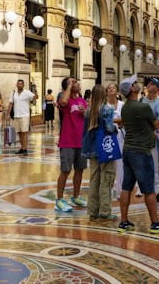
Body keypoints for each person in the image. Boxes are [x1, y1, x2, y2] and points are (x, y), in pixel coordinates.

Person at [117, 74, 159, 234]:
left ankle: (124, 221)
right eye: (134, 83)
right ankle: (155, 223)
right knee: (148, 189)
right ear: (132, 89)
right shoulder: (143, 107)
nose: (137, 84)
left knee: (126, 186)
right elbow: (158, 124)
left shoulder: (125, 107)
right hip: (141, 151)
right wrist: (152, 128)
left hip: (128, 150)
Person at [82, 85, 117, 219]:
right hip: (105, 148)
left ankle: (92, 211)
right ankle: (105, 211)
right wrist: (116, 127)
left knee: (94, 180)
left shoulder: (88, 110)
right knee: (106, 179)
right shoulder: (107, 109)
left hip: (92, 149)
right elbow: (109, 128)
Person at [54, 77, 88, 212]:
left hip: (81, 141)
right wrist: (68, 87)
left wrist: (84, 112)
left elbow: (87, 116)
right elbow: (62, 102)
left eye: (76, 82)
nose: (77, 84)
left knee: (80, 169)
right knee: (65, 170)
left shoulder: (81, 100)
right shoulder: (65, 100)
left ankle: (76, 196)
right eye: (73, 82)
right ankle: (59, 200)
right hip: (67, 140)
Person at [7, 79, 37, 155]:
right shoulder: (14, 93)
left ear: (23, 85)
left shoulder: (27, 92)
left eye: (21, 84)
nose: (19, 85)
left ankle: (25, 149)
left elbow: (35, 97)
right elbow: (10, 104)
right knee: (19, 132)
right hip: (16, 115)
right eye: (18, 84)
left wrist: (35, 90)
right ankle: (22, 148)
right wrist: (8, 114)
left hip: (25, 115)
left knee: (24, 132)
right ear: (16, 85)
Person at [107, 83, 126, 198]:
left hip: (120, 135)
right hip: (108, 136)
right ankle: (108, 189)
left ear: (117, 91)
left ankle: (120, 190)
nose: (111, 89)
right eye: (109, 88)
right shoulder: (104, 105)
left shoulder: (122, 105)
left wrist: (114, 121)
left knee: (120, 163)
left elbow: (125, 119)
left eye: (113, 87)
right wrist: (117, 121)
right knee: (109, 163)